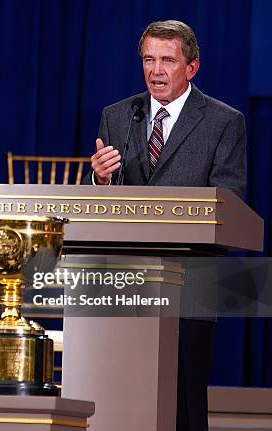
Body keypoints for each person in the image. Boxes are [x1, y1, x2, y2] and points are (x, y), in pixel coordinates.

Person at [85, 20, 246, 431]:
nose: (156, 70)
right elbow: (101, 210)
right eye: (149, 59)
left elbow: (228, 204)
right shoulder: (118, 115)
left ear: (191, 67)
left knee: (183, 402)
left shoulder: (224, 122)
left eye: (168, 60)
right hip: (123, 280)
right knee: (120, 395)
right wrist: (100, 181)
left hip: (189, 282)